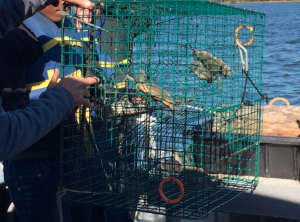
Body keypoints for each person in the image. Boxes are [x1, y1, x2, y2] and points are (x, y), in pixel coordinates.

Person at [0, 0, 103, 160]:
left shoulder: (71, 31)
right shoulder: (14, 37)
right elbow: (9, 115)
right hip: (35, 162)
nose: (61, 2)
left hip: (73, 153)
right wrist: (59, 100)